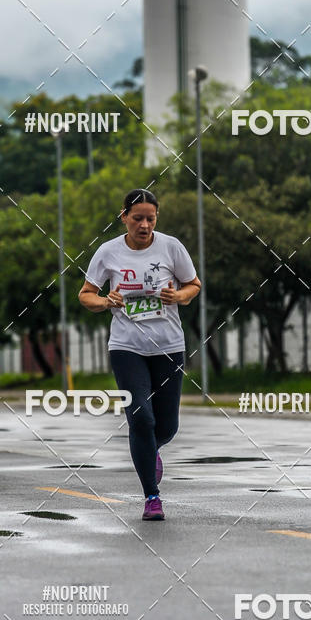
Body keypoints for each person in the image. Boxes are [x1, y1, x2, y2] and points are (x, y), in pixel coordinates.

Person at [79, 189, 200, 521]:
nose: (144, 225)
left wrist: (178, 295)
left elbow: (194, 285)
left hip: (168, 346)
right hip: (126, 347)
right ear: (124, 218)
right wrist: (106, 301)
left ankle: (151, 450)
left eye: (150, 218)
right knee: (141, 419)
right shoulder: (108, 253)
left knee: (167, 426)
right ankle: (151, 496)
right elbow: (86, 295)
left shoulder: (171, 247)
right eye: (137, 218)